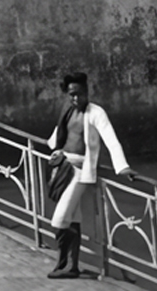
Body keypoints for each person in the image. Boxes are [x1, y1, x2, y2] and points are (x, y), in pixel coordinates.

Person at [45, 72, 138, 279]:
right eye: (71, 94)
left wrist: (122, 167)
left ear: (87, 92)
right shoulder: (67, 110)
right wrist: (53, 148)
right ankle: (71, 266)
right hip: (62, 166)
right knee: (73, 217)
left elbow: (111, 140)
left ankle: (65, 264)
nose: (75, 98)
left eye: (78, 94)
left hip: (80, 170)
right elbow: (58, 135)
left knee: (59, 220)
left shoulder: (96, 113)